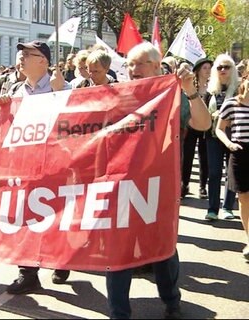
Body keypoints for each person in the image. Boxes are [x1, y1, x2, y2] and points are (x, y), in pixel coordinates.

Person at [105, 42, 211, 319]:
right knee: (119, 251)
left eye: (139, 63)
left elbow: (203, 124)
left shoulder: (172, 94)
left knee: (162, 248)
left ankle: (171, 301)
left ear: (156, 65)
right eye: (129, 64)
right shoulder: (117, 95)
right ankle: (119, 313)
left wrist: (189, 91)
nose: (132, 69)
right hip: (122, 184)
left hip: (159, 186)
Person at [0, 40, 70, 295]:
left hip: (55, 165)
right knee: (25, 217)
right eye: (21, 53)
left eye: (28, 54)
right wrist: (4, 109)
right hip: (24, 165)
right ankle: (27, 272)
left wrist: (64, 95)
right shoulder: (17, 90)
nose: (22, 57)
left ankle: (61, 258)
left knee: (54, 216)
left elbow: (77, 122)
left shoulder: (61, 87)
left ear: (43, 61)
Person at [215, 76, 249, 260]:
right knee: (243, 198)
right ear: (245, 78)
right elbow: (219, 128)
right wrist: (229, 144)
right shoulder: (231, 104)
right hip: (239, 152)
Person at [205, 54, 239, 221]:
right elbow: (202, 114)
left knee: (231, 172)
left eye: (227, 67)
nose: (223, 70)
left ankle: (227, 207)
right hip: (213, 136)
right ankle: (212, 209)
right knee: (214, 172)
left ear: (233, 69)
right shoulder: (210, 91)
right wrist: (213, 116)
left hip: (234, 136)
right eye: (219, 67)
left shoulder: (240, 89)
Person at [182, 57, 212, 199]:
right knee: (187, 156)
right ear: (198, 71)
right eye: (205, 68)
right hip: (190, 126)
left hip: (206, 126)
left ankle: (202, 186)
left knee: (204, 156)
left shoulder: (213, 87)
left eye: (209, 68)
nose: (208, 70)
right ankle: (184, 184)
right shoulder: (189, 85)